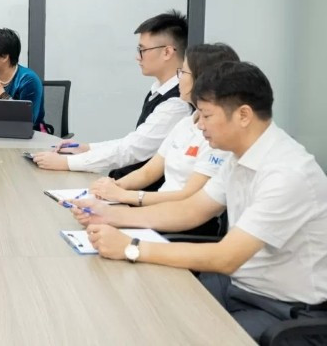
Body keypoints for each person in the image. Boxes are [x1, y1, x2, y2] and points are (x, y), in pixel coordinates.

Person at [67, 62, 327, 343]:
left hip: (282, 309)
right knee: (142, 310)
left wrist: (131, 248)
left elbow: (226, 257)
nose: (199, 125)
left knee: (178, 334)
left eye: (206, 115)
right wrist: (110, 215)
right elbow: (191, 210)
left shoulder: (287, 173)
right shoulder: (239, 157)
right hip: (235, 286)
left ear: (243, 115)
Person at [89, 43, 239, 235]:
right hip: (159, 214)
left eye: (183, 72)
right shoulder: (185, 123)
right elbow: (148, 172)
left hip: (185, 229)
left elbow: (189, 197)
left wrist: (125, 196)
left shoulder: (218, 137)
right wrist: (111, 188)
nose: (179, 79)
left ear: (203, 80)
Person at [33, 10, 191, 188]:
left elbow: (134, 150)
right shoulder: (159, 90)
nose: (137, 57)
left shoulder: (177, 103)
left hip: (139, 193)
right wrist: (87, 148)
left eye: (142, 50)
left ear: (167, 52)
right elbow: (133, 141)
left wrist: (66, 163)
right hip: (124, 183)